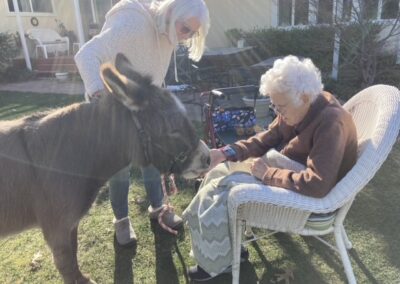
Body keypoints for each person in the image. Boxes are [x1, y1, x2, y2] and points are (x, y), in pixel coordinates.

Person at [183, 55, 358, 281]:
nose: (277, 112)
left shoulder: (331, 123)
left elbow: (317, 185)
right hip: (288, 173)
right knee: (217, 173)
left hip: (309, 200)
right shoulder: (302, 106)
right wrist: (224, 153)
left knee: (219, 191)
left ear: (304, 97)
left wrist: (268, 174)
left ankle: (215, 265)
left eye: (280, 106)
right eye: (274, 105)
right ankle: (227, 252)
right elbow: (266, 138)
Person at [74, 0, 210, 246]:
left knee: (153, 160)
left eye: (193, 33)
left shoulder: (169, 34)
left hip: (145, 112)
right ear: (171, 14)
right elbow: (86, 55)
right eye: (186, 29)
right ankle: (122, 220)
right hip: (114, 110)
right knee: (120, 168)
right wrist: (99, 96)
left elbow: (153, 78)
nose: (186, 37)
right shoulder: (132, 23)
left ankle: (159, 208)